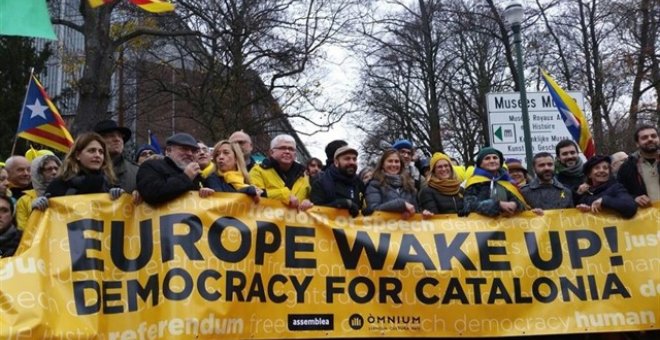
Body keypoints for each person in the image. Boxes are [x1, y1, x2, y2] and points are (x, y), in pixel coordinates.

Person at [137, 133, 214, 206]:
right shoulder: (151, 167)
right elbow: (152, 194)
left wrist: (206, 194)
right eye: (184, 149)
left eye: (193, 151)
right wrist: (186, 177)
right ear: (169, 151)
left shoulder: (198, 176)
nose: (190, 153)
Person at [42, 133, 123, 200]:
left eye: (101, 152)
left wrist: (118, 198)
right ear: (77, 155)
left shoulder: (111, 185)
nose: (97, 155)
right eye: (92, 151)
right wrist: (40, 205)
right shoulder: (59, 185)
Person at [249, 134, 313, 210]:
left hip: (296, 221)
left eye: (291, 149)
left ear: (295, 154)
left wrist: (308, 202)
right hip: (267, 220)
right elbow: (255, 196)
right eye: (282, 148)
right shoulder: (257, 171)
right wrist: (285, 195)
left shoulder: (304, 175)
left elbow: (312, 198)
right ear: (271, 152)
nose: (287, 151)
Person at [463, 147, 527, 217]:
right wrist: (498, 205)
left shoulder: (506, 181)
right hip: (482, 226)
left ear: (500, 162)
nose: (492, 161)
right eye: (487, 158)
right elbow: (469, 205)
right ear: (480, 164)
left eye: (495, 158)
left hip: (505, 226)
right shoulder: (474, 182)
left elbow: (522, 204)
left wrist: (515, 204)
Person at [364, 149, 419, 218]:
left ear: (401, 165)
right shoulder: (374, 184)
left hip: (408, 227)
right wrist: (400, 204)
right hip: (384, 227)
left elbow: (416, 211)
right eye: (390, 161)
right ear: (382, 165)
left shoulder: (409, 184)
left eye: (396, 161)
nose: (394, 164)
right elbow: (373, 209)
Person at [310, 146, 363, 217]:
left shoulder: (360, 183)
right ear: (336, 162)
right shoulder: (321, 183)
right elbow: (315, 212)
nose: (352, 162)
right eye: (347, 159)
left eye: (354, 159)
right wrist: (340, 204)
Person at [617, 125, 659, 208]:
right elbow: (618, 192)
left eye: (653, 136)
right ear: (637, 143)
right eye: (644, 137)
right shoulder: (627, 167)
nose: (650, 139)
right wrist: (634, 198)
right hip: (646, 217)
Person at [15, 154, 61, 230]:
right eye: (49, 169)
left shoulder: (67, 193)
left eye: (56, 168)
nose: (54, 172)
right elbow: (22, 232)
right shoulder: (24, 201)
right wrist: (32, 210)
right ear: (38, 173)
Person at [93, 119, 138, 193]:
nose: (117, 139)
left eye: (120, 136)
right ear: (98, 140)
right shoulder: (85, 169)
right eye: (111, 136)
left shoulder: (136, 171)